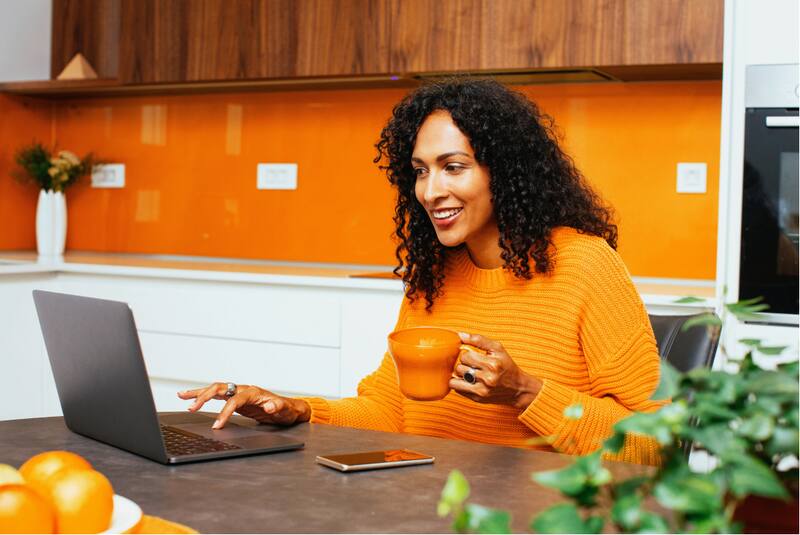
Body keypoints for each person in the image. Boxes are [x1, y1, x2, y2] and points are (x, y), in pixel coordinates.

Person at [179, 78, 664, 465]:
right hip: (429, 502)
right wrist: (295, 409)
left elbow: (655, 446)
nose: (430, 192)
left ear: (505, 172)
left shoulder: (586, 265)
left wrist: (525, 392)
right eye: (420, 170)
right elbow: (389, 412)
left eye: (453, 167)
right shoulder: (434, 274)